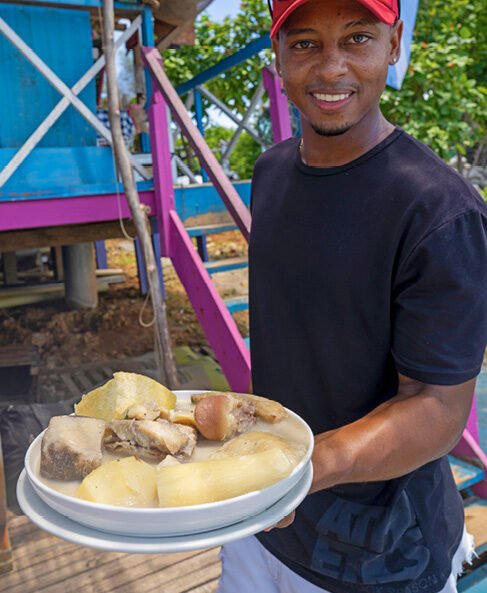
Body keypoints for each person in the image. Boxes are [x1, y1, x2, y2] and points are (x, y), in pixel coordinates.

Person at [216, 1, 487, 592]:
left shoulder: (440, 213)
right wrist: (265, 472)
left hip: (378, 552)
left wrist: (301, 468)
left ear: (393, 46)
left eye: (357, 38)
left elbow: (438, 411)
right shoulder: (271, 173)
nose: (331, 68)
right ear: (279, 56)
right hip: (259, 519)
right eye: (306, 43)